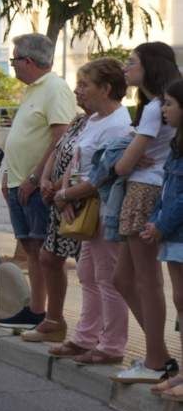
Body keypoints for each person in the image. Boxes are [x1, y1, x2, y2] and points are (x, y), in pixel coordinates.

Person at [50, 58, 132, 365]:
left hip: (104, 206)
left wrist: (66, 195)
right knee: (87, 273)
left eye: (85, 85)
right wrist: (66, 195)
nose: (77, 90)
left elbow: (104, 174)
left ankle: (112, 344)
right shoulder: (94, 120)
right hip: (83, 205)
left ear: (106, 88)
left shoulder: (118, 125)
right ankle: (87, 336)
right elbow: (78, 163)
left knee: (108, 277)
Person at [108, 43, 182, 385]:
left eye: (132, 62)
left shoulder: (154, 108)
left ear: (149, 66)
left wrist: (126, 159)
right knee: (124, 279)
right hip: (145, 189)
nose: (126, 68)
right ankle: (159, 353)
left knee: (146, 281)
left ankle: (156, 360)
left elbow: (122, 165)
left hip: (144, 191)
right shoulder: (157, 107)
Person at [0, 34, 77, 332]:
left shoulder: (55, 89)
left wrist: (35, 177)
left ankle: (51, 316)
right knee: (31, 247)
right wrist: (9, 177)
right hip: (19, 182)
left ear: (27, 61)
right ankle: (36, 310)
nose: (13, 65)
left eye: (14, 59)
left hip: (37, 184)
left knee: (47, 250)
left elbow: (61, 138)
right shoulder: (33, 90)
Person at [26, 94, 91, 350]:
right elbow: (58, 150)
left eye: (85, 85)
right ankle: (54, 321)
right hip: (59, 200)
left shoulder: (107, 124)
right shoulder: (79, 120)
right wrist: (44, 180)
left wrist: (62, 190)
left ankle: (94, 331)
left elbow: (89, 165)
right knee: (49, 257)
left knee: (92, 271)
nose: (78, 91)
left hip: (80, 204)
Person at [140, 79, 183, 401]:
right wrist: (154, 219)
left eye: (169, 103)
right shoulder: (177, 146)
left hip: (177, 234)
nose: (163, 109)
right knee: (180, 301)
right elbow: (167, 192)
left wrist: (161, 226)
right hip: (172, 235)